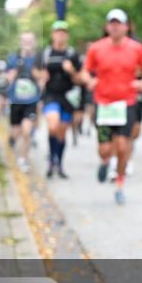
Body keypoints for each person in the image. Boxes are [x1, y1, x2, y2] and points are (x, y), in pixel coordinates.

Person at [81, 9, 142, 204]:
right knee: (105, 149)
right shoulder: (96, 48)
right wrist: (89, 81)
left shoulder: (136, 48)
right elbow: (85, 71)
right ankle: (105, 161)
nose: (115, 27)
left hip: (126, 103)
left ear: (126, 27)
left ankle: (119, 183)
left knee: (123, 146)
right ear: (107, 27)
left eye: (119, 24)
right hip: (104, 104)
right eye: (112, 23)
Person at [36, 20, 82, 178]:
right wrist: (41, 75)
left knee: (61, 133)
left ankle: (59, 163)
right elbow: (35, 71)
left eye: (63, 32)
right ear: (52, 35)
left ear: (67, 35)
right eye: (57, 32)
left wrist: (72, 71)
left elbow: (80, 79)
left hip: (67, 97)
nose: (60, 35)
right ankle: (51, 159)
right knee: (53, 126)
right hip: (50, 95)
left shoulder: (72, 54)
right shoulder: (45, 53)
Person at [6, 32, 41, 173]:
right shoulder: (13, 58)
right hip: (16, 100)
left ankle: (23, 159)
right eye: (25, 41)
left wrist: (36, 74)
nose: (27, 43)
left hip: (31, 101)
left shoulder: (38, 59)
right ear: (20, 42)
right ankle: (11, 140)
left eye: (30, 40)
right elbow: (8, 78)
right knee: (15, 132)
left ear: (34, 42)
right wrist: (14, 72)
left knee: (27, 131)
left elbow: (43, 77)